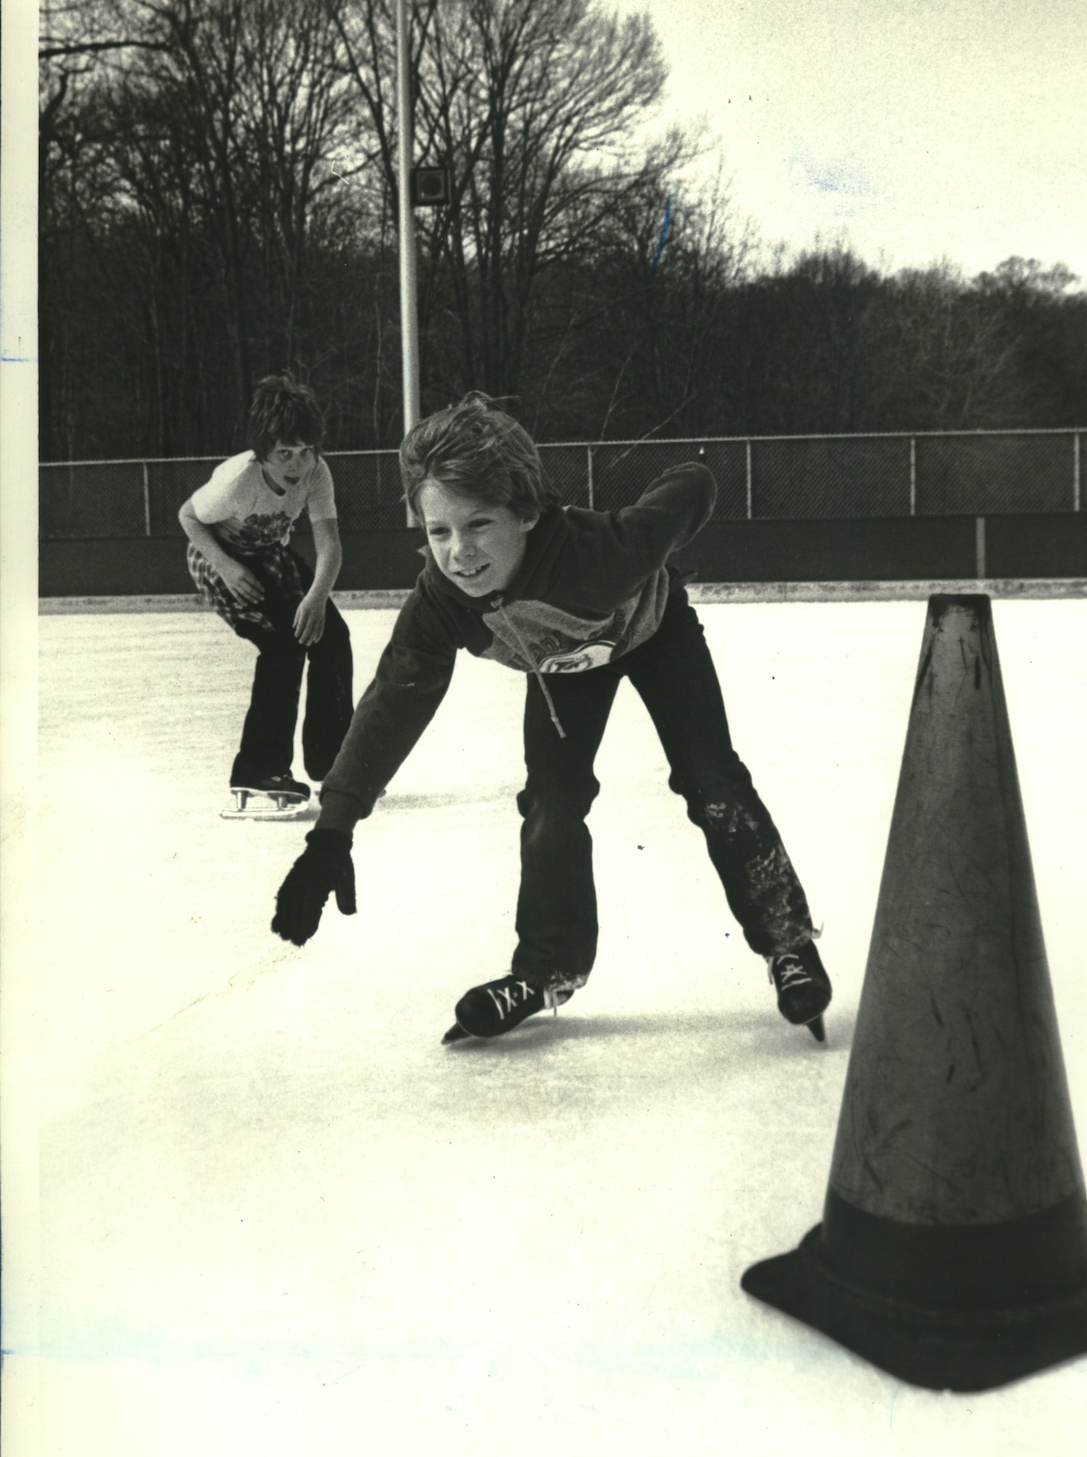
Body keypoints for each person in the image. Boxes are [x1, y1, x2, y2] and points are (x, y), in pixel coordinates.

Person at [270, 392, 831, 1042]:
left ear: (526, 512)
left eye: (479, 524)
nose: (460, 554)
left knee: (713, 780)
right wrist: (332, 831)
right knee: (550, 802)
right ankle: (544, 968)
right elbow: (391, 703)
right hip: (562, 670)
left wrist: (667, 533)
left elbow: (693, 481)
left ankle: (788, 942)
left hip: (654, 636)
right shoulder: (442, 601)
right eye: (439, 531)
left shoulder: (601, 555)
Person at [179, 373, 354, 812]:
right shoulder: (236, 480)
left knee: (332, 636)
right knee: (282, 647)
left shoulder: (316, 473)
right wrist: (226, 566)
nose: (297, 464)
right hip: (218, 557)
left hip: (269, 553)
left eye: (305, 451)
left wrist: (316, 599)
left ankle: (333, 760)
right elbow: (188, 517)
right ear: (262, 453)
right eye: (284, 454)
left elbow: (329, 544)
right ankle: (258, 769)